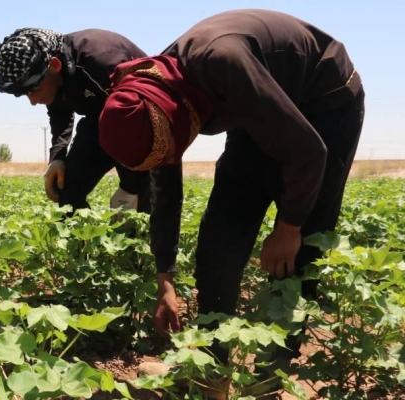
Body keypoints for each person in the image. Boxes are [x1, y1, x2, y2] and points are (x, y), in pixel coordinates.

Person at [98, 8, 364, 396]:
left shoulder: (221, 65)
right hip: (257, 103)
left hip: (325, 101)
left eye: (172, 152)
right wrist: (165, 280)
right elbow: (167, 193)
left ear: (174, 124)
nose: (172, 160)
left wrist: (289, 226)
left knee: (301, 251)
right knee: (220, 238)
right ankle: (211, 374)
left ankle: (268, 382)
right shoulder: (153, 99)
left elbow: (309, 152)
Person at [0, 28, 152, 216]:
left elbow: (130, 124)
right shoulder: (51, 70)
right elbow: (59, 110)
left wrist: (130, 187)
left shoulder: (101, 62)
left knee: (140, 201)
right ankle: (81, 241)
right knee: (67, 191)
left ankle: (140, 241)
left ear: (55, 65)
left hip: (144, 122)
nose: (33, 101)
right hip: (101, 119)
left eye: (33, 89)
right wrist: (57, 158)